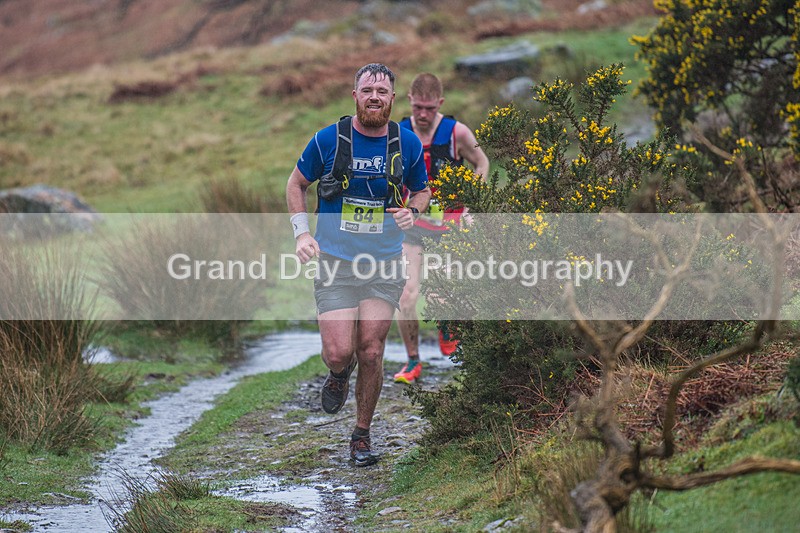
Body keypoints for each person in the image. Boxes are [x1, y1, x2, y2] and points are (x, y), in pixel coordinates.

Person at [286, 63, 431, 467]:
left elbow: (421, 190)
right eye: (367, 90)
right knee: (339, 352)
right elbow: (295, 184)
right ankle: (337, 374)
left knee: (371, 349)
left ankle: (361, 436)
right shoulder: (328, 139)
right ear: (355, 95)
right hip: (334, 260)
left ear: (391, 99)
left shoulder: (406, 143)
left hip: (384, 262)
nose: (374, 97)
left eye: (381, 92)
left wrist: (413, 212)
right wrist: (302, 233)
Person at [393, 73, 490, 385]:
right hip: (412, 224)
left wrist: (471, 206)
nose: (423, 115)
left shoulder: (456, 132)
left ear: (441, 104)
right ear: (408, 100)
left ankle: (447, 327)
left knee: (441, 296)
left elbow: (482, 163)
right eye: (418, 107)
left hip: (450, 224)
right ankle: (412, 362)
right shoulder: (397, 133)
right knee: (406, 296)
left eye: (430, 109)